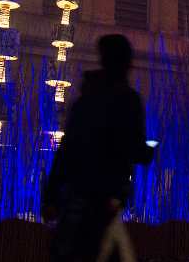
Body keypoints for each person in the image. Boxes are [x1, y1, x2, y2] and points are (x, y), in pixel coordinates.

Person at [41, 34, 155, 262]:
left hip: (75, 200)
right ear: (126, 62)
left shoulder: (83, 102)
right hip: (105, 205)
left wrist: (51, 195)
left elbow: (65, 152)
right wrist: (150, 146)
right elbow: (136, 151)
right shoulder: (127, 100)